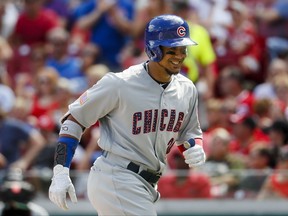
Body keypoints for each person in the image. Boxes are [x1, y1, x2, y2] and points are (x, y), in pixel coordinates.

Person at [48, 14, 206, 215]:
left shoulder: (187, 88)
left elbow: (189, 133)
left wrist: (194, 147)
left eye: (183, 49)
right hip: (117, 176)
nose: (179, 55)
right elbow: (73, 121)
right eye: (171, 50)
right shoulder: (119, 83)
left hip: (146, 184)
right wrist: (60, 172)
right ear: (153, 49)